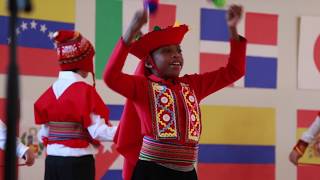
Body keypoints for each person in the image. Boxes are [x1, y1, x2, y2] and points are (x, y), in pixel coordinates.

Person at [103, 4, 246, 180]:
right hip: (151, 173)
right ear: (149, 63)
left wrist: (232, 29)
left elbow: (234, 71)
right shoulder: (142, 87)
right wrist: (130, 32)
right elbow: (111, 77)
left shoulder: (193, 84)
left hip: (187, 173)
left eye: (178, 50)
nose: (176, 55)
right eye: (167, 51)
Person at [34, 30, 117, 180]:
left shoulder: (49, 92)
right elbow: (97, 132)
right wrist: (125, 131)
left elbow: (43, 134)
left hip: (52, 161)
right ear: (84, 63)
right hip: (77, 163)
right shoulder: (85, 92)